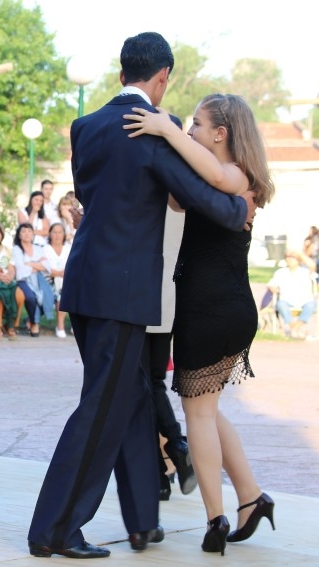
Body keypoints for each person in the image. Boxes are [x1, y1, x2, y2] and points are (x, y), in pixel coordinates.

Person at [27, 32, 254, 560]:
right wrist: (240, 208)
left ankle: (142, 522)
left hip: (85, 282)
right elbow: (197, 197)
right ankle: (54, 529)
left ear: (121, 72)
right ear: (162, 78)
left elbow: (97, 196)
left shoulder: (86, 126)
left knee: (129, 401)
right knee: (100, 411)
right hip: (122, 293)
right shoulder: (151, 127)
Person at [124, 91, 274, 555]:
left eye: (197, 124)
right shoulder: (216, 176)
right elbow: (175, 200)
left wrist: (167, 131)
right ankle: (252, 498)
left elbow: (214, 176)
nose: (190, 130)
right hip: (225, 309)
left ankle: (215, 517)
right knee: (208, 409)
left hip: (210, 310)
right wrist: (172, 145)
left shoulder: (237, 175)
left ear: (221, 133)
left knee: (199, 414)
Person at [143, 208, 195, 501]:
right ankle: (165, 463)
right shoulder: (186, 189)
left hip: (139, 293)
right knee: (152, 383)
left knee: (142, 386)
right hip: (171, 294)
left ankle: (169, 454)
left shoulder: (145, 187)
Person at [11, 223, 54, 337]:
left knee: (49, 297)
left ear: (33, 234)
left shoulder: (38, 248)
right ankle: (35, 322)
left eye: (29, 231)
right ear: (19, 235)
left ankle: (30, 320)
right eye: (23, 231)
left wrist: (29, 263)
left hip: (39, 278)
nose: (27, 234)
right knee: (31, 298)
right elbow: (20, 269)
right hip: (23, 280)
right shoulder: (16, 249)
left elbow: (46, 266)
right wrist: (37, 264)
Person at [267, 249, 317, 338]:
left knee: (311, 305)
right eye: (287, 257)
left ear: (298, 260)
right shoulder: (280, 272)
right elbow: (272, 284)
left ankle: (293, 329)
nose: (289, 259)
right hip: (286, 300)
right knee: (280, 304)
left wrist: (299, 254)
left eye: (293, 257)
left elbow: (312, 265)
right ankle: (295, 330)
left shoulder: (305, 271)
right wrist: (273, 288)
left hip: (304, 300)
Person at [44, 222, 71, 338]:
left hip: (67, 280)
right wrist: (59, 273)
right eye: (54, 232)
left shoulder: (69, 248)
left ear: (64, 234)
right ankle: (60, 326)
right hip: (49, 281)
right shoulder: (45, 249)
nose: (57, 235)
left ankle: (76, 326)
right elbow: (44, 268)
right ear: (50, 234)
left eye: (60, 232)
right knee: (62, 294)